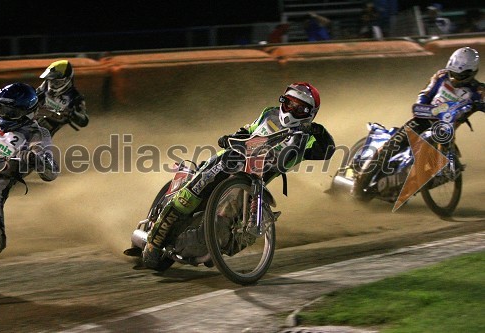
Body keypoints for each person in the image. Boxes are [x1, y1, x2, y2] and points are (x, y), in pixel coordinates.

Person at [142, 82, 336, 269]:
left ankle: (213, 245)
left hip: (252, 184)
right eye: (289, 103)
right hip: (231, 160)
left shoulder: (307, 138)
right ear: (282, 101)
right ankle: (155, 240)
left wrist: (318, 130)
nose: (291, 110)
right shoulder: (269, 114)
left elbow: (327, 150)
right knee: (196, 190)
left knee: (238, 229)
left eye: (299, 108)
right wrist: (230, 137)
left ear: (310, 114)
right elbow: (247, 130)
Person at [351, 47, 485, 198]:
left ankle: (421, 177)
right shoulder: (441, 76)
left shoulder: (478, 91)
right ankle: (359, 184)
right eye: (453, 73)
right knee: (392, 146)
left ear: (472, 72)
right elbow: (424, 95)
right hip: (421, 120)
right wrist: (428, 108)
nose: (456, 78)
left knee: (449, 163)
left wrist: (477, 105)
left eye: (461, 75)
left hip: (445, 131)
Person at [0, 83, 59, 265]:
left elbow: (52, 173)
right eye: (2, 108)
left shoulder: (37, 135)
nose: (4, 114)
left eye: (10, 111)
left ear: (26, 112)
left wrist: (36, 158)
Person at [36, 60, 89, 136]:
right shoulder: (45, 85)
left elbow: (84, 121)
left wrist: (72, 114)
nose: (52, 85)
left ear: (67, 80)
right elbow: (34, 94)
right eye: (51, 81)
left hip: (44, 132)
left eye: (56, 82)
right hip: (30, 120)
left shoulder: (76, 97)